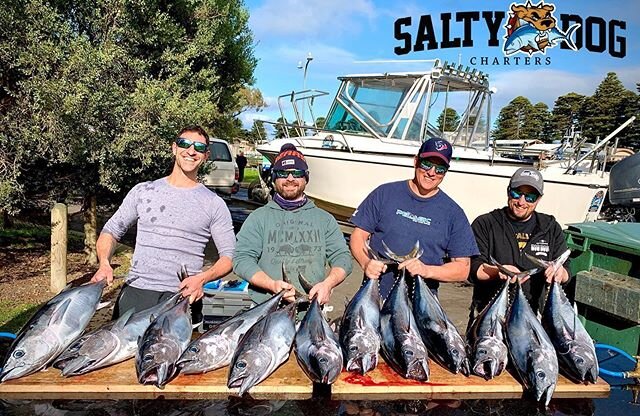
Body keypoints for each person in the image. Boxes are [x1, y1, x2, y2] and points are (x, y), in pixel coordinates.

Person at [91, 126, 236, 320]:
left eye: (199, 147)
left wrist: (202, 279)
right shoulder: (143, 191)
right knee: (125, 351)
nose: (191, 151)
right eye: (185, 144)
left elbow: (229, 257)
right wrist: (104, 264)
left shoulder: (214, 204)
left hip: (183, 297)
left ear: (206, 155)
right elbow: (111, 230)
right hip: (137, 291)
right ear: (174, 148)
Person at [350, 137, 479, 299]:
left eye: (440, 168)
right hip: (373, 298)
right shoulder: (384, 193)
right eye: (426, 164)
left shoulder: (454, 213)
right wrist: (366, 263)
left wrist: (426, 270)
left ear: (446, 171)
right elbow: (358, 235)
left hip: (420, 306)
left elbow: (462, 269)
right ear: (416, 161)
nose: (432, 172)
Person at [233, 144, 353, 305]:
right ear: (274, 178)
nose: (290, 178)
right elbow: (241, 259)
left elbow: (342, 257)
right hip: (267, 308)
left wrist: (327, 284)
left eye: (297, 173)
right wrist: (272, 285)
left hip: (311, 310)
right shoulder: (258, 218)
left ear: (306, 178)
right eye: (283, 173)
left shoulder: (325, 219)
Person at [468, 167, 570, 322]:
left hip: (533, 317)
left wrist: (559, 272)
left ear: (539, 198)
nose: (521, 202)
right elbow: (473, 267)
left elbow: (567, 269)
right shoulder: (486, 223)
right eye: (516, 193)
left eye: (530, 197)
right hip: (490, 315)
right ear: (508, 191)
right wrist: (498, 271)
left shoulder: (550, 226)